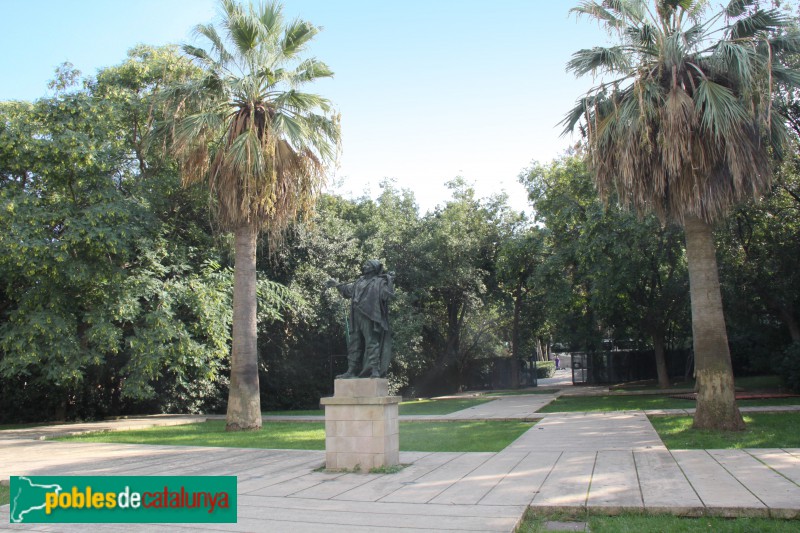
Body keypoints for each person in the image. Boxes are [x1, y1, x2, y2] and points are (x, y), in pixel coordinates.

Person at [326, 260, 395, 378]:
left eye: (368, 265)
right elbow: (347, 291)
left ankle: (375, 370)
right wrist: (336, 284)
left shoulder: (379, 282)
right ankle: (351, 370)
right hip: (355, 315)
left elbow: (385, 296)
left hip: (369, 315)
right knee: (354, 343)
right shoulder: (359, 281)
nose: (364, 266)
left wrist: (390, 281)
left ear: (374, 268)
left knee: (371, 342)